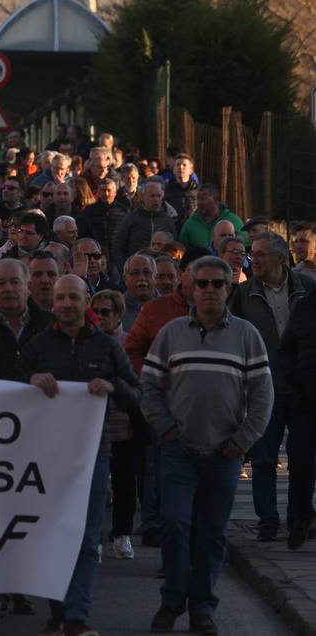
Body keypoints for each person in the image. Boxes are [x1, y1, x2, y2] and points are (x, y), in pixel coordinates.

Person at [143, 256, 274, 635]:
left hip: (224, 453)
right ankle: (173, 600)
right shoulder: (171, 333)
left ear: (229, 289)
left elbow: (262, 395)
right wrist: (164, 427)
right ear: (190, 288)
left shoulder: (247, 335)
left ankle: (202, 608)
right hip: (178, 450)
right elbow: (149, 385)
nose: (210, 290)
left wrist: (242, 440)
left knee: (212, 533)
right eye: (202, 284)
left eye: (218, 284)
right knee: (174, 524)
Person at [20, 275, 141, 636]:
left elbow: (136, 391)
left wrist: (113, 386)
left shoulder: (105, 346)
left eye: (74, 297)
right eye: (61, 298)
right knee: (50, 536)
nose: (67, 304)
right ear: (53, 303)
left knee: (87, 538)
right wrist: (31, 380)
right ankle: (58, 611)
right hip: (46, 458)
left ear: (85, 300)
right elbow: (11, 385)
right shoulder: (38, 345)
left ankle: (77, 618)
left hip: (93, 455)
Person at [230, 231, 315, 541]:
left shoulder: (307, 288)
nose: (255, 260)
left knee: (303, 458)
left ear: (281, 258)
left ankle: (299, 517)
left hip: (303, 388)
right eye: (254, 254)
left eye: (261, 254)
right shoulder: (244, 293)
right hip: (263, 386)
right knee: (265, 457)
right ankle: (267, 519)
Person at [91, 289, 143, 561]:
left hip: (123, 424)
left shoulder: (128, 344)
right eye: (96, 312)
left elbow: (136, 384)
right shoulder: (86, 343)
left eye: (106, 312)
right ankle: (95, 537)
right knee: (96, 486)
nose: (100, 318)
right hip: (92, 427)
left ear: (119, 314)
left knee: (125, 483)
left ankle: (122, 534)